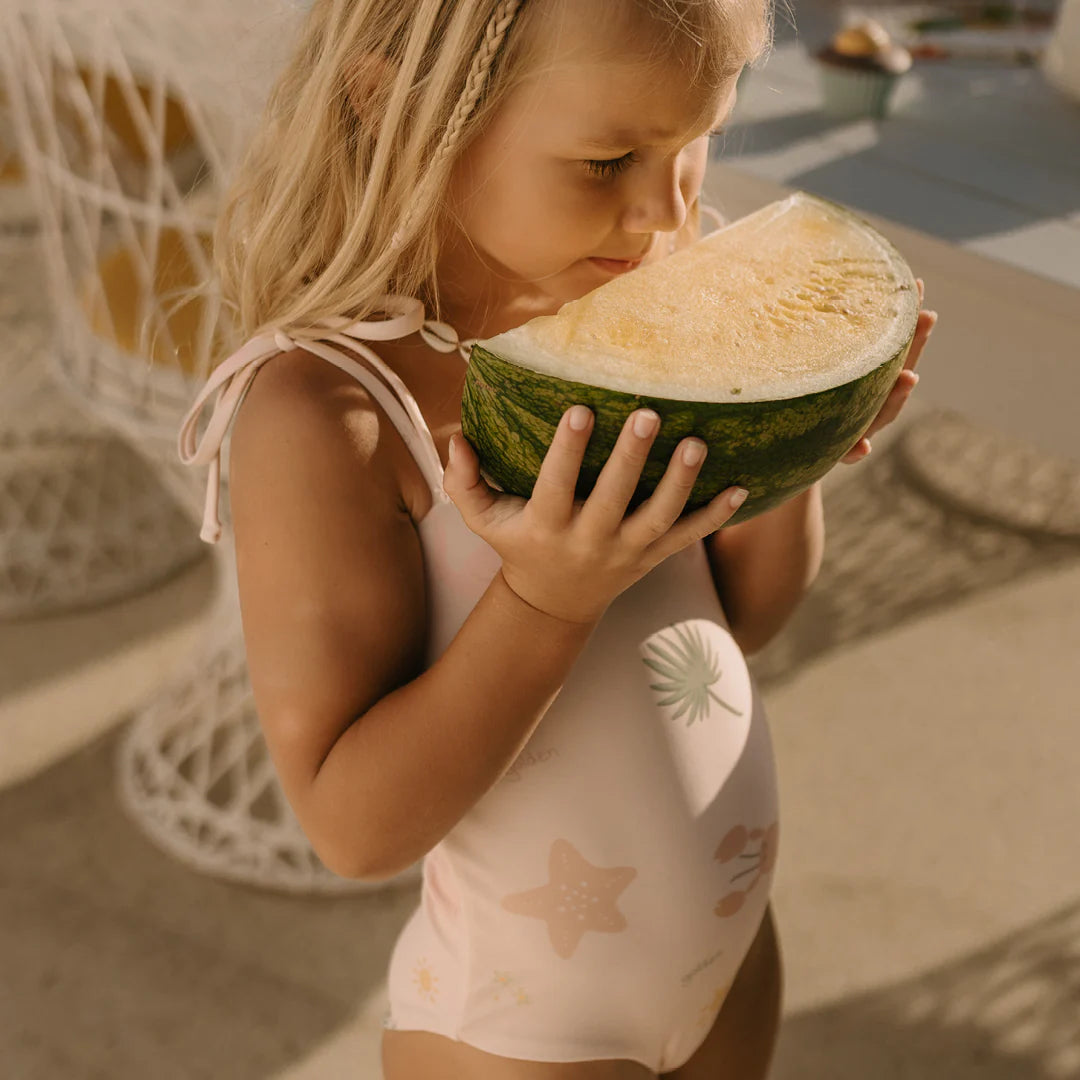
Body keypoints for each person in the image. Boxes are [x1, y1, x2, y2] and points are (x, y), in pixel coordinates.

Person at [179, 1, 937, 1076]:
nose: (665, 210)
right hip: (521, 1030)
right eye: (608, 159)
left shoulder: (650, 306)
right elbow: (354, 827)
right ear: (401, 107)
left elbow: (745, 624)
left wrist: (794, 450)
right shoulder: (332, 413)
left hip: (730, 970)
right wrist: (544, 600)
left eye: (697, 140)